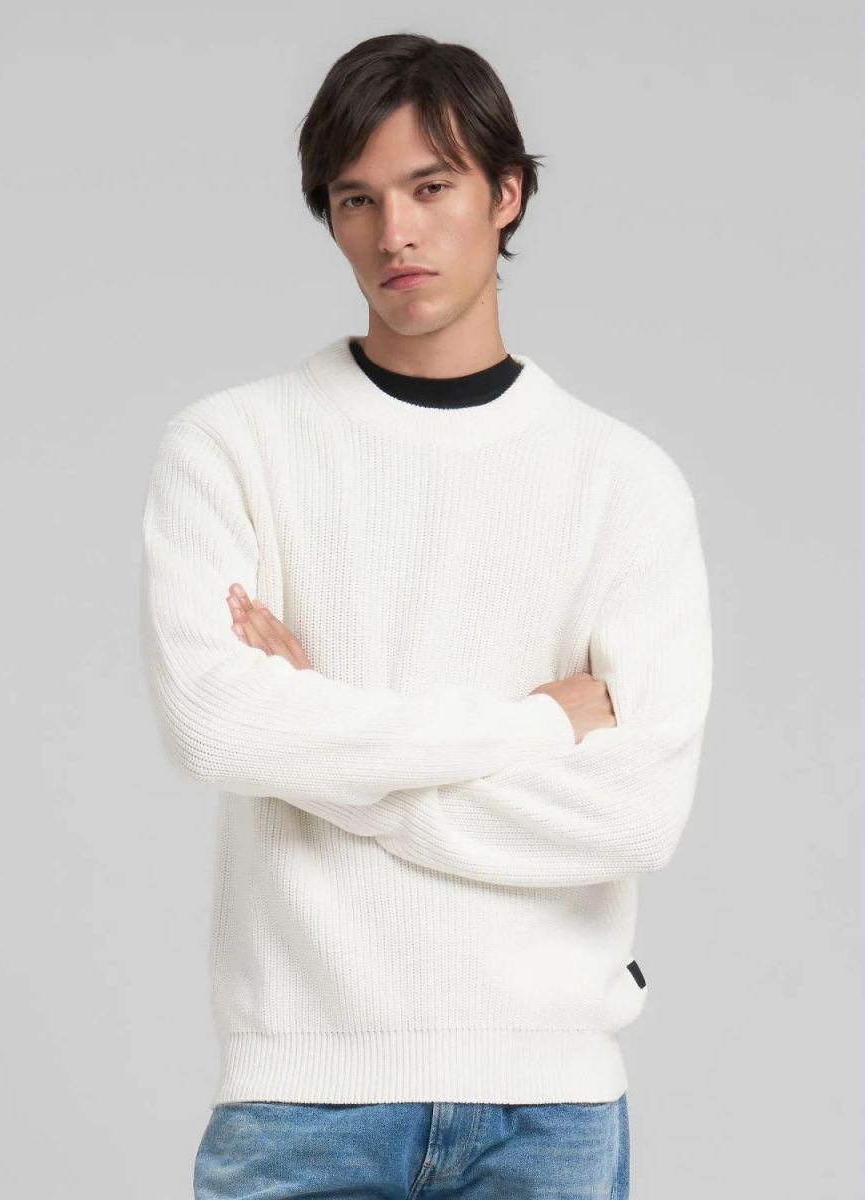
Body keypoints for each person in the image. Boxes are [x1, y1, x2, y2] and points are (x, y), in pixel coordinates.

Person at [139, 31, 713, 1200]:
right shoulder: (231, 447)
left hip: (547, 1109)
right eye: (357, 199)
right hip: (300, 1098)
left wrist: (316, 736)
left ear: (507, 194)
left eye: (431, 187)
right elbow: (218, 727)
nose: (393, 232)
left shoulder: (622, 482)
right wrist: (537, 727)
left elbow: (635, 814)